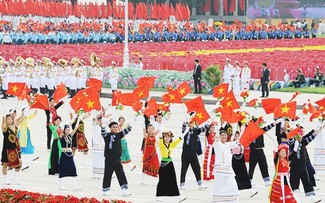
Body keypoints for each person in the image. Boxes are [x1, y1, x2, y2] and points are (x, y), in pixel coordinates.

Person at [99, 120, 132, 197]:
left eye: (116, 127)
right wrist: (103, 126)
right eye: (113, 127)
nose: (115, 128)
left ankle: (124, 190)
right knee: (108, 174)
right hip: (109, 160)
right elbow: (103, 132)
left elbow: (126, 131)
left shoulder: (119, 135)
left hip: (117, 159)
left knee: (121, 174)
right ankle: (106, 190)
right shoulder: (107, 136)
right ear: (110, 128)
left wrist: (131, 125)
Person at [289, 126, 322, 203]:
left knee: (307, 182)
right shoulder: (293, 143)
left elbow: (310, 138)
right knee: (292, 183)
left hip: (303, 166)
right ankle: (288, 198)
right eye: (298, 136)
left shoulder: (303, 142)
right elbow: (290, 141)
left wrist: (316, 132)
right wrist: (294, 143)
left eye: (300, 136)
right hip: (294, 167)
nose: (300, 137)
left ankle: (311, 198)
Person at [156, 131, 187, 202]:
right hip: (163, 164)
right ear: (163, 138)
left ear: (170, 138)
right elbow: (160, 136)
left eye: (169, 137)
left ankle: (177, 196)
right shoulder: (161, 144)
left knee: (173, 180)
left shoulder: (171, 145)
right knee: (162, 180)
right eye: (166, 137)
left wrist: (185, 131)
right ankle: (158, 195)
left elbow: (179, 139)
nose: (167, 138)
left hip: (170, 164)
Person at [180, 120, 209, 190]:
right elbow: (183, 129)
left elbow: (204, 128)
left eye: (192, 123)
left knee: (197, 168)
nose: (191, 124)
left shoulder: (196, 131)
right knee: (184, 169)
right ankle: (182, 184)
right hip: (185, 153)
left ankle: (200, 184)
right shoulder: (186, 130)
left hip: (193, 153)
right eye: (190, 123)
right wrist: (184, 123)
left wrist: (208, 122)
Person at [212, 127, 240, 202]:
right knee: (219, 184)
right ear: (220, 136)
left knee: (232, 182)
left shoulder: (228, 144)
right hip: (219, 169)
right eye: (222, 135)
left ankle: (232, 197)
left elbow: (237, 142)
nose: (224, 136)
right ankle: (218, 197)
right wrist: (218, 126)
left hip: (228, 169)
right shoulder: (217, 144)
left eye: (225, 135)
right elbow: (216, 139)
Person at [232, 130, 258, 197]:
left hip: (241, 160)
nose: (237, 137)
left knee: (245, 175)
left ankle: (250, 190)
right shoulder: (232, 143)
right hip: (235, 161)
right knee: (237, 176)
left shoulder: (242, 143)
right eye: (236, 136)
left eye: (238, 136)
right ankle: (236, 190)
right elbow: (235, 151)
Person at [1, 112, 25, 185]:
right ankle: (6, 179)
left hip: (15, 149)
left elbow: (21, 120)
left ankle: (15, 177)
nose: (10, 120)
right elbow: (3, 126)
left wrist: (25, 113)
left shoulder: (14, 127)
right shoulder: (5, 128)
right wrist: (4, 120)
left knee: (19, 163)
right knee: (5, 165)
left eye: (11, 119)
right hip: (6, 149)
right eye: (8, 119)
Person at [59, 123, 81, 191]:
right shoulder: (62, 136)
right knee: (62, 170)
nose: (68, 131)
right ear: (64, 130)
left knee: (73, 169)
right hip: (63, 154)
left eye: (69, 130)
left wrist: (78, 120)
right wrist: (63, 125)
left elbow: (75, 129)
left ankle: (75, 185)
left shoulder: (70, 136)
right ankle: (62, 185)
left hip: (70, 155)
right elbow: (60, 132)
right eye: (67, 130)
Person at [91, 111, 105, 179]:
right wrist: (96, 113)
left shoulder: (103, 127)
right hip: (96, 146)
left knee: (102, 160)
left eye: (101, 120)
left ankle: (101, 174)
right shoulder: (95, 126)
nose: (100, 121)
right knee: (96, 160)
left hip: (102, 146)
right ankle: (95, 174)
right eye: (99, 120)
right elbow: (94, 118)